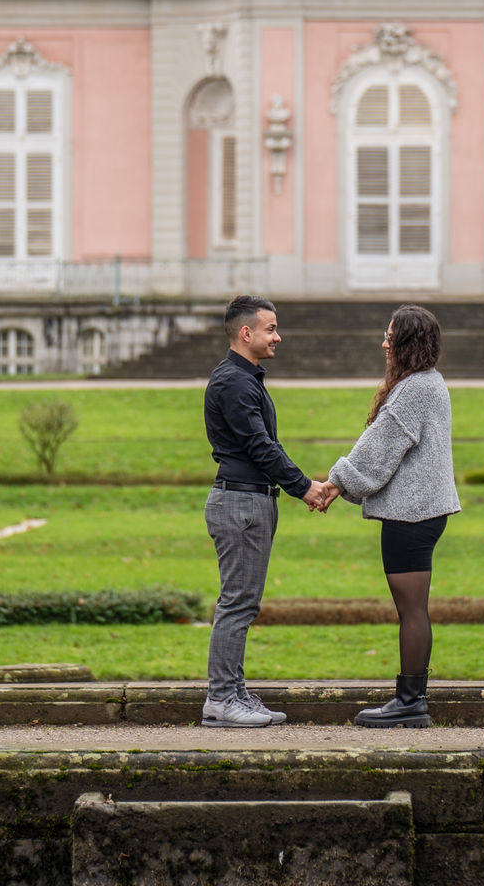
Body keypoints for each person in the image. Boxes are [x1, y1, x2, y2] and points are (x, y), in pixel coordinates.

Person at [200, 295, 334, 728]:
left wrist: (297, 487)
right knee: (237, 604)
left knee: (243, 603)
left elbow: (263, 446)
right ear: (246, 333)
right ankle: (221, 699)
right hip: (240, 503)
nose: (278, 336)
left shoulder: (244, 379)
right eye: (271, 329)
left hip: (249, 500)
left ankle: (234, 691)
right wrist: (305, 488)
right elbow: (261, 447)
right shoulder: (234, 383)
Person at [324, 304, 459, 729]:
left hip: (411, 517)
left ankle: (410, 701)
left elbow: (379, 448)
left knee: (412, 610)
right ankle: (410, 697)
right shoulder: (427, 383)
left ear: (407, 342)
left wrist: (334, 484)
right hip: (423, 513)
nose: (383, 343)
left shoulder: (415, 388)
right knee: (414, 609)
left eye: (390, 336)